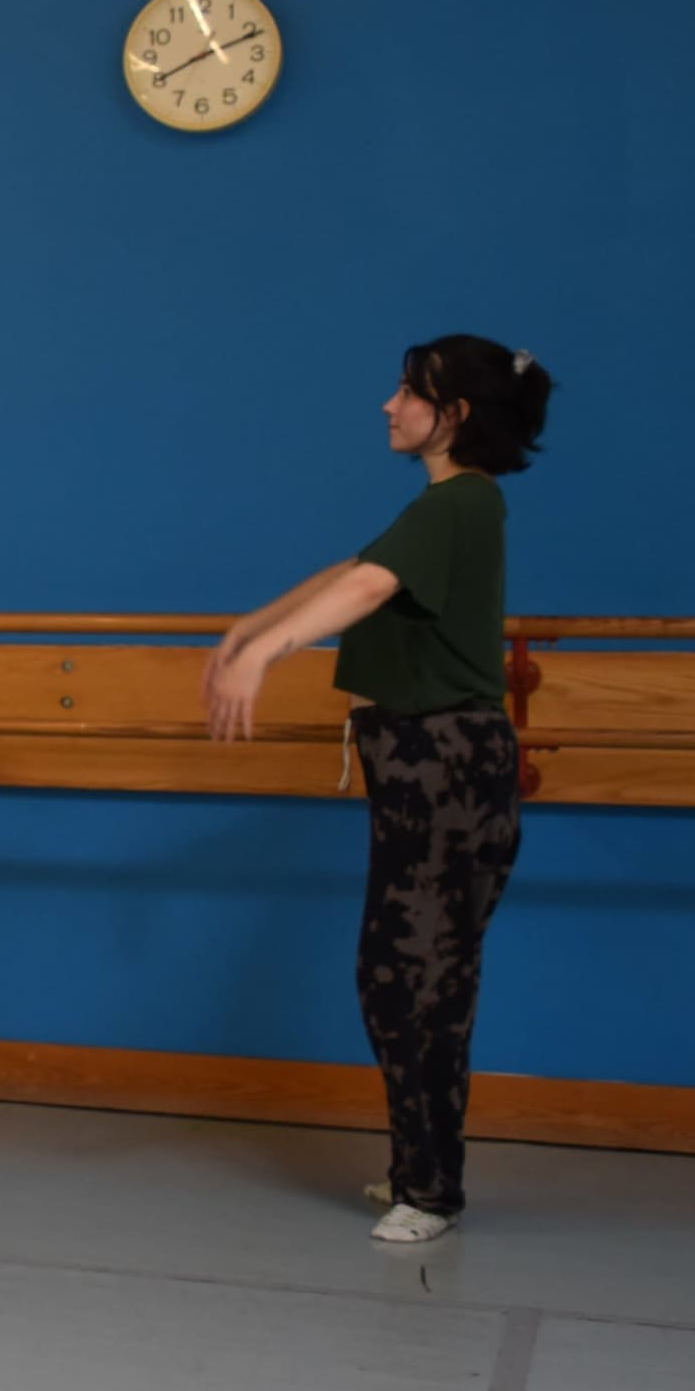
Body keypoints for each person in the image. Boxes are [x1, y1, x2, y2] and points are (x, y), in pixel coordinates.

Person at [206, 338, 552, 1244]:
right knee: (411, 977)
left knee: (415, 979)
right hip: (428, 765)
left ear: (457, 414)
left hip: (447, 765)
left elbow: (367, 583)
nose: (389, 405)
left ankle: (429, 1189)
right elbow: (349, 567)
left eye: (409, 392)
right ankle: (421, 1174)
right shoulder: (447, 508)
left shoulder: (463, 503)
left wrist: (268, 655)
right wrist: (258, 621)